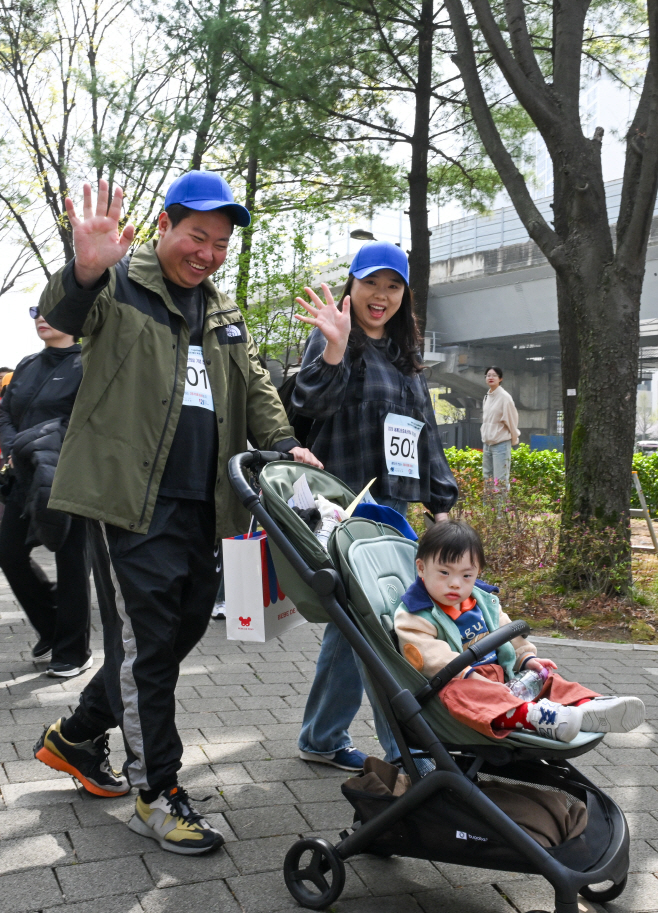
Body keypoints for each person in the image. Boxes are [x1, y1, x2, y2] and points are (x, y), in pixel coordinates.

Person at [33, 172, 321, 856]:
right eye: (198, 236)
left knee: (174, 636)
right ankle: (157, 791)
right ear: (166, 224)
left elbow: (252, 384)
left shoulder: (222, 311)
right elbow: (65, 316)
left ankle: (76, 737)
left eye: (221, 243)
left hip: (208, 503)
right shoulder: (117, 284)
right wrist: (82, 268)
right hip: (131, 499)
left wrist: (283, 445)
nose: (209, 253)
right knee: (151, 642)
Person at [291, 240, 458, 770]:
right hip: (342, 508)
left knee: (356, 626)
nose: (380, 296)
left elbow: (423, 433)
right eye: (370, 284)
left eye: (392, 286)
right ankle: (410, 757)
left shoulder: (406, 359)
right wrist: (334, 349)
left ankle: (321, 737)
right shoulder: (332, 338)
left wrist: (442, 504)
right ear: (353, 286)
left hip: (394, 509)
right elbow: (307, 405)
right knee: (380, 626)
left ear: (404, 294)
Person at [395, 520, 645, 741]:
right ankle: (533, 717)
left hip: (503, 673)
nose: (455, 583)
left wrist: (526, 657)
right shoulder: (415, 614)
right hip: (462, 679)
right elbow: (431, 658)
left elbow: (506, 629)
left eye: (467, 575)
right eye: (444, 572)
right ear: (421, 568)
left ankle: (587, 707)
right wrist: (472, 677)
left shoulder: (481, 601)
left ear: (477, 574)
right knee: (462, 696)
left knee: (547, 678)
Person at [0, 310, 91, 675]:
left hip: (69, 477)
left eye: (52, 310)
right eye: (36, 311)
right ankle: (53, 625)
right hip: (23, 475)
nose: (41, 317)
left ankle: (73, 652)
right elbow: (5, 412)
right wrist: (14, 444)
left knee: (72, 564)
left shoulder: (90, 362)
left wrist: (44, 441)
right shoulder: (27, 364)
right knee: (9, 553)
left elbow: (89, 418)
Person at [481, 366, 519, 491]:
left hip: (501, 444)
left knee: (500, 481)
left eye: (494, 375)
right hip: (487, 444)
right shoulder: (487, 397)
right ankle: (488, 510)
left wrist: (514, 440)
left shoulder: (504, 397)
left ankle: (500, 510)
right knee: (488, 479)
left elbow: (512, 421)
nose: (490, 377)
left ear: (500, 379)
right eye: (488, 375)